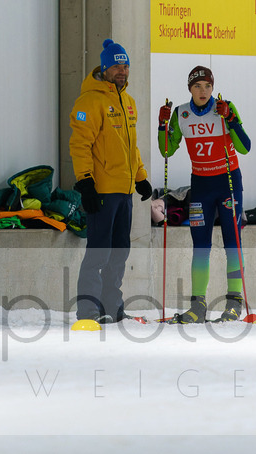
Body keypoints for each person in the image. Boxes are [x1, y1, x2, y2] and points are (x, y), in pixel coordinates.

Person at [158, 66, 252, 323]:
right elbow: (166, 150)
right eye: (197, 86)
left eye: (207, 86)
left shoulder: (224, 107)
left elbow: (245, 147)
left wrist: (231, 119)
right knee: (200, 247)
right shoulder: (181, 113)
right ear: (190, 89)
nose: (203, 91)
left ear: (213, 87)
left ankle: (234, 303)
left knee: (232, 243)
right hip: (200, 186)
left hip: (228, 182)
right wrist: (162, 126)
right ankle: (198, 306)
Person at [69, 39, 153, 323]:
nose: (122, 71)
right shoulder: (89, 101)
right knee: (98, 254)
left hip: (124, 192)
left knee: (119, 254)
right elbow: (80, 145)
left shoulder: (128, 102)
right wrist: (85, 183)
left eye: (126, 66)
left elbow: (131, 147)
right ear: (105, 68)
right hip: (102, 192)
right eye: (117, 66)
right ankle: (88, 310)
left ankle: (111, 306)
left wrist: (140, 177)